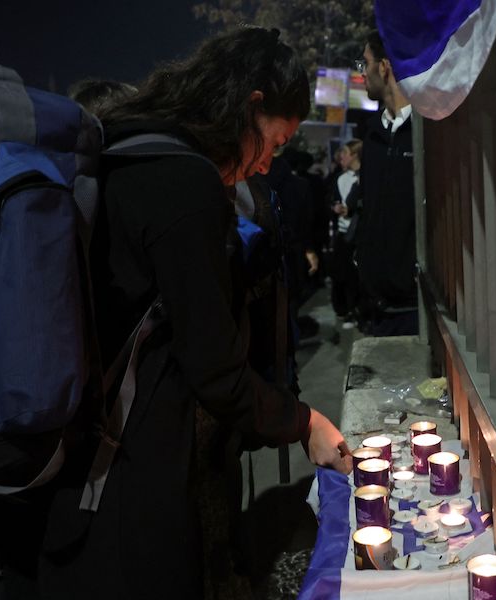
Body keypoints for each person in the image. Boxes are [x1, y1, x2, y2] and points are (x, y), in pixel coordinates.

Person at [39, 27, 351, 600]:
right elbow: (216, 371)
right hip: (131, 470)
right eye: (274, 143)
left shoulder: (126, 148)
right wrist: (306, 423)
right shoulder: (186, 184)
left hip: (75, 456)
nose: (265, 166)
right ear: (251, 105)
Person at [355, 30, 419, 336]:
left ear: (384, 66)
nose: (362, 72)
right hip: (374, 310)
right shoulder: (372, 135)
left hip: (416, 311)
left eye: (365, 63)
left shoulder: (424, 130)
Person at [329, 139, 362, 328]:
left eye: (346, 153)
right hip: (344, 233)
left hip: (359, 233)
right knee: (343, 275)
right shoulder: (340, 178)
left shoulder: (364, 178)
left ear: (355, 155)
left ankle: (357, 311)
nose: (342, 156)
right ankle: (347, 310)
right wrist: (335, 207)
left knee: (356, 277)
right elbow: (333, 199)